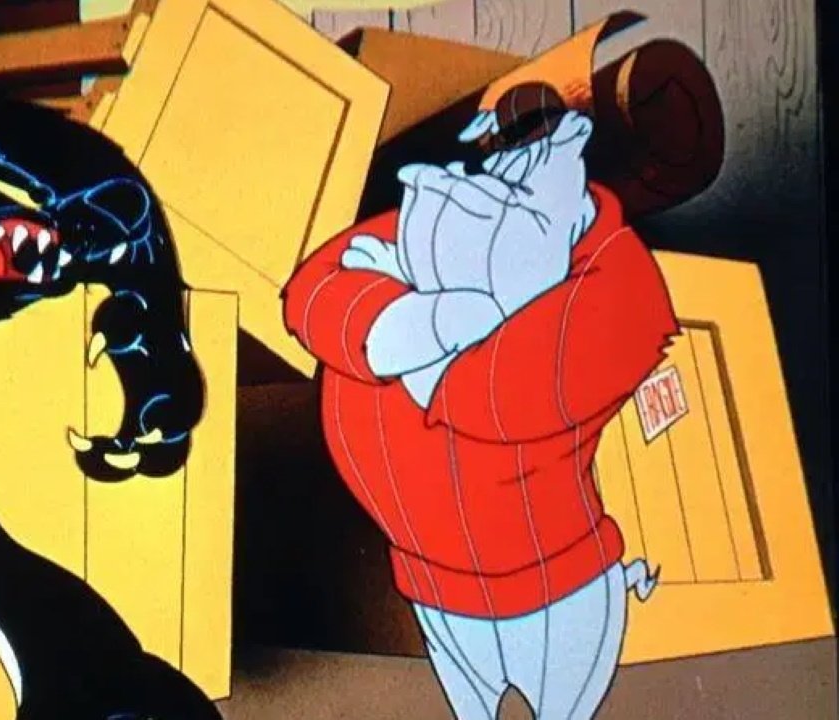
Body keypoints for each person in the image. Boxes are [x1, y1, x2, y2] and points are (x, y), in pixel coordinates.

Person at [281, 109, 678, 719]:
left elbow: (491, 401)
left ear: (576, 141)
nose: (496, 166)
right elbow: (313, 289)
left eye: (524, 150)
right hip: (432, 587)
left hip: (554, 596)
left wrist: (418, 320)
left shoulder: (622, 283)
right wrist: (404, 322)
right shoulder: (469, 210)